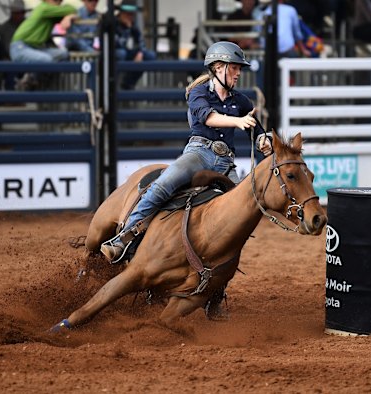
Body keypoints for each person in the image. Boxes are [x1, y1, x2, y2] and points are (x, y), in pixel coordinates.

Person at [100, 41, 273, 264]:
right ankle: (124, 237)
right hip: (199, 154)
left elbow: (256, 131)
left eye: (239, 68)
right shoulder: (198, 92)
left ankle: (220, 268)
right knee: (163, 184)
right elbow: (207, 117)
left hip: (225, 163)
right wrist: (238, 121)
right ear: (218, 67)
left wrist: (263, 141)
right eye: (234, 67)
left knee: (243, 209)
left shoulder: (241, 101)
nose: (238, 73)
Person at [9, 0, 77, 90]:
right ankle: (29, 80)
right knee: (46, 60)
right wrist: (70, 15)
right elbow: (71, 9)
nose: (59, 2)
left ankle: (34, 79)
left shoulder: (49, 10)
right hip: (20, 47)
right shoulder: (44, 8)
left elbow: (72, 12)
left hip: (34, 48)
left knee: (63, 53)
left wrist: (69, 17)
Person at [113, 0, 157, 89]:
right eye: (126, 14)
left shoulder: (133, 26)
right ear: (121, 13)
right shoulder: (114, 24)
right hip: (114, 54)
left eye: (131, 14)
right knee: (121, 53)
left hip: (128, 53)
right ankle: (113, 86)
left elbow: (141, 42)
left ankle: (128, 83)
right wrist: (127, 30)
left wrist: (140, 53)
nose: (129, 16)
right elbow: (117, 43)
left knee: (150, 56)